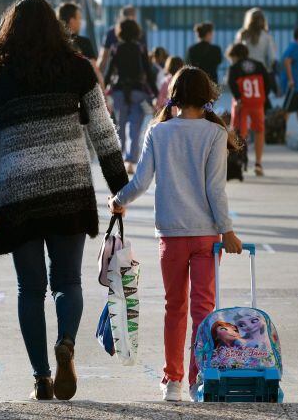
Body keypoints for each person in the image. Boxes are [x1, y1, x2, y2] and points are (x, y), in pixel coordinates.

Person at [0, 0, 128, 401]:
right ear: (56, 28)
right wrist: (119, 187)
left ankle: (41, 377)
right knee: (67, 281)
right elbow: (103, 131)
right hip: (69, 189)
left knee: (30, 288)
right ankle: (67, 344)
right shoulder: (78, 70)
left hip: (17, 194)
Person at [108, 66, 243, 402]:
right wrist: (227, 230)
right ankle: (199, 379)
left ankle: (173, 381)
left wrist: (117, 201)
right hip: (207, 236)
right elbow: (216, 190)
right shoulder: (215, 134)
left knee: (175, 307)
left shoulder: (159, 132)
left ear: (174, 96)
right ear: (207, 97)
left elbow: (140, 182)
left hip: (171, 234)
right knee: (203, 309)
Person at [105, 19, 157, 174]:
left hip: (119, 91)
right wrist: (155, 94)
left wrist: (102, 88)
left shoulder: (115, 48)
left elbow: (109, 72)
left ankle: (119, 159)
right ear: (136, 31)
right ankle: (130, 161)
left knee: (119, 125)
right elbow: (148, 73)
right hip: (138, 92)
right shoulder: (141, 49)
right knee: (134, 127)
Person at [227, 43, 274, 176]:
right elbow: (268, 82)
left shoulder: (234, 68)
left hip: (242, 103)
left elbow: (231, 83)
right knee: (259, 130)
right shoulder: (259, 65)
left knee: (238, 132)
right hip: (257, 102)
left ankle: (237, 160)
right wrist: (263, 96)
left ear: (235, 56)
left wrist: (238, 97)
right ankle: (258, 163)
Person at [57, 1, 104, 86]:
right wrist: (103, 94)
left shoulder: (53, 42)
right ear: (72, 21)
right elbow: (95, 71)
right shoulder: (84, 43)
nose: (80, 22)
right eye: (79, 18)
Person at [97, 5, 148, 74]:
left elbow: (103, 57)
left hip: (118, 76)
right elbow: (145, 58)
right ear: (134, 17)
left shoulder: (112, 32)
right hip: (136, 76)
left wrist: (97, 78)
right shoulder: (140, 33)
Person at [235, 8, 277, 74]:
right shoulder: (267, 36)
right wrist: (268, 70)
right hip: (261, 71)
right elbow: (272, 58)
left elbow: (236, 55)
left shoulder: (242, 35)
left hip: (245, 71)